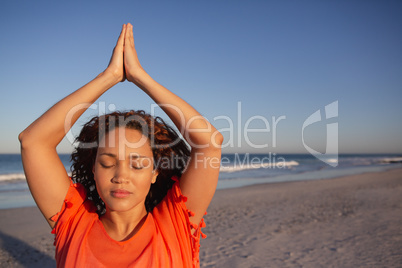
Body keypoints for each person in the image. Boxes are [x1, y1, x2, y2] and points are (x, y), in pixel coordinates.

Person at [19, 23, 223, 267]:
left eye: (137, 165)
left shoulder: (174, 223)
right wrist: (110, 77)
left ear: (155, 172)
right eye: (107, 163)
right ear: (93, 168)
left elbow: (210, 142)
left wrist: (141, 77)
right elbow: (33, 141)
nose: (121, 176)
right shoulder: (73, 223)